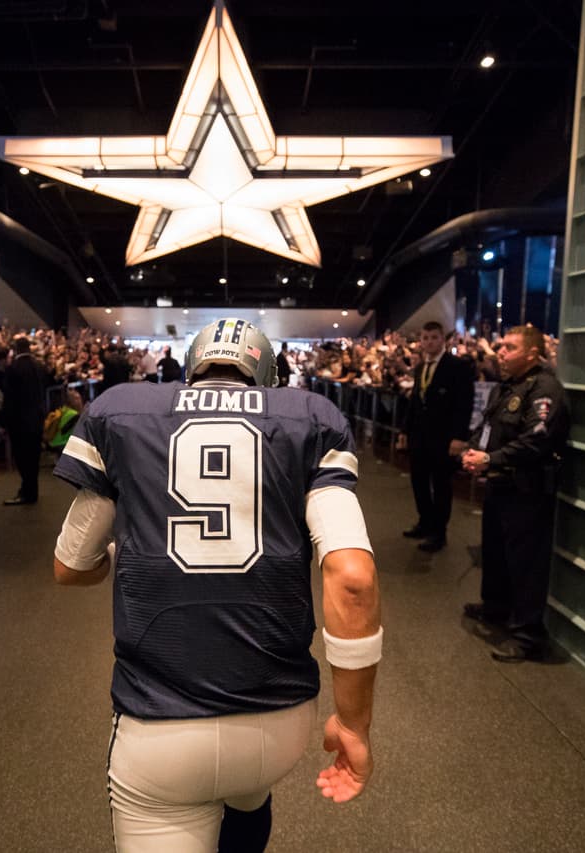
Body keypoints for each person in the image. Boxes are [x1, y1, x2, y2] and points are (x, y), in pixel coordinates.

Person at [51, 317, 382, 853]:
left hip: (161, 721)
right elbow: (352, 579)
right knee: (248, 795)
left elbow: (70, 566)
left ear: (193, 366)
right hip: (278, 721)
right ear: (268, 374)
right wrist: (354, 724)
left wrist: (122, 553)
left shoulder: (123, 412)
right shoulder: (309, 418)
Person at [461, 325, 568, 662]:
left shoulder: (544, 388)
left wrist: (490, 459)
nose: (501, 353)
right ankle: (495, 608)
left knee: (526, 564)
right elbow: (487, 427)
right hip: (500, 485)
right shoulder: (506, 387)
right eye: (501, 347)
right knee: (495, 553)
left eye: (510, 348)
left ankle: (527, 636)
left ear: (533, 353)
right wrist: (473, 451)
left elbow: (537, 439)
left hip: (527, 490)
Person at [403, 322, 474, 552]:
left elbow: (464, 404)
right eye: (425, 337)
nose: (429, 342)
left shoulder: (457, 366)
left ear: (443, 339)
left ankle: (438, 532)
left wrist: (459, 437)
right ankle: (424, 522)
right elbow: (415, 402)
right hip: (419, 436)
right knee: (419, 482)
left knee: (441, 485)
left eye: (434, 337)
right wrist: (405, 431)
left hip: (444, 437)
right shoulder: (421, 367)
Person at [1, 336, 48, 505]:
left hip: (19, 420)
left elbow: (9, 398)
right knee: (34, 457)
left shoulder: (13, 368)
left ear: (16, 349)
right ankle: (32, 490)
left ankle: (27, 491)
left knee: (22, 457)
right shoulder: (39, 366)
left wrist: (4, 422)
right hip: (37, 417)